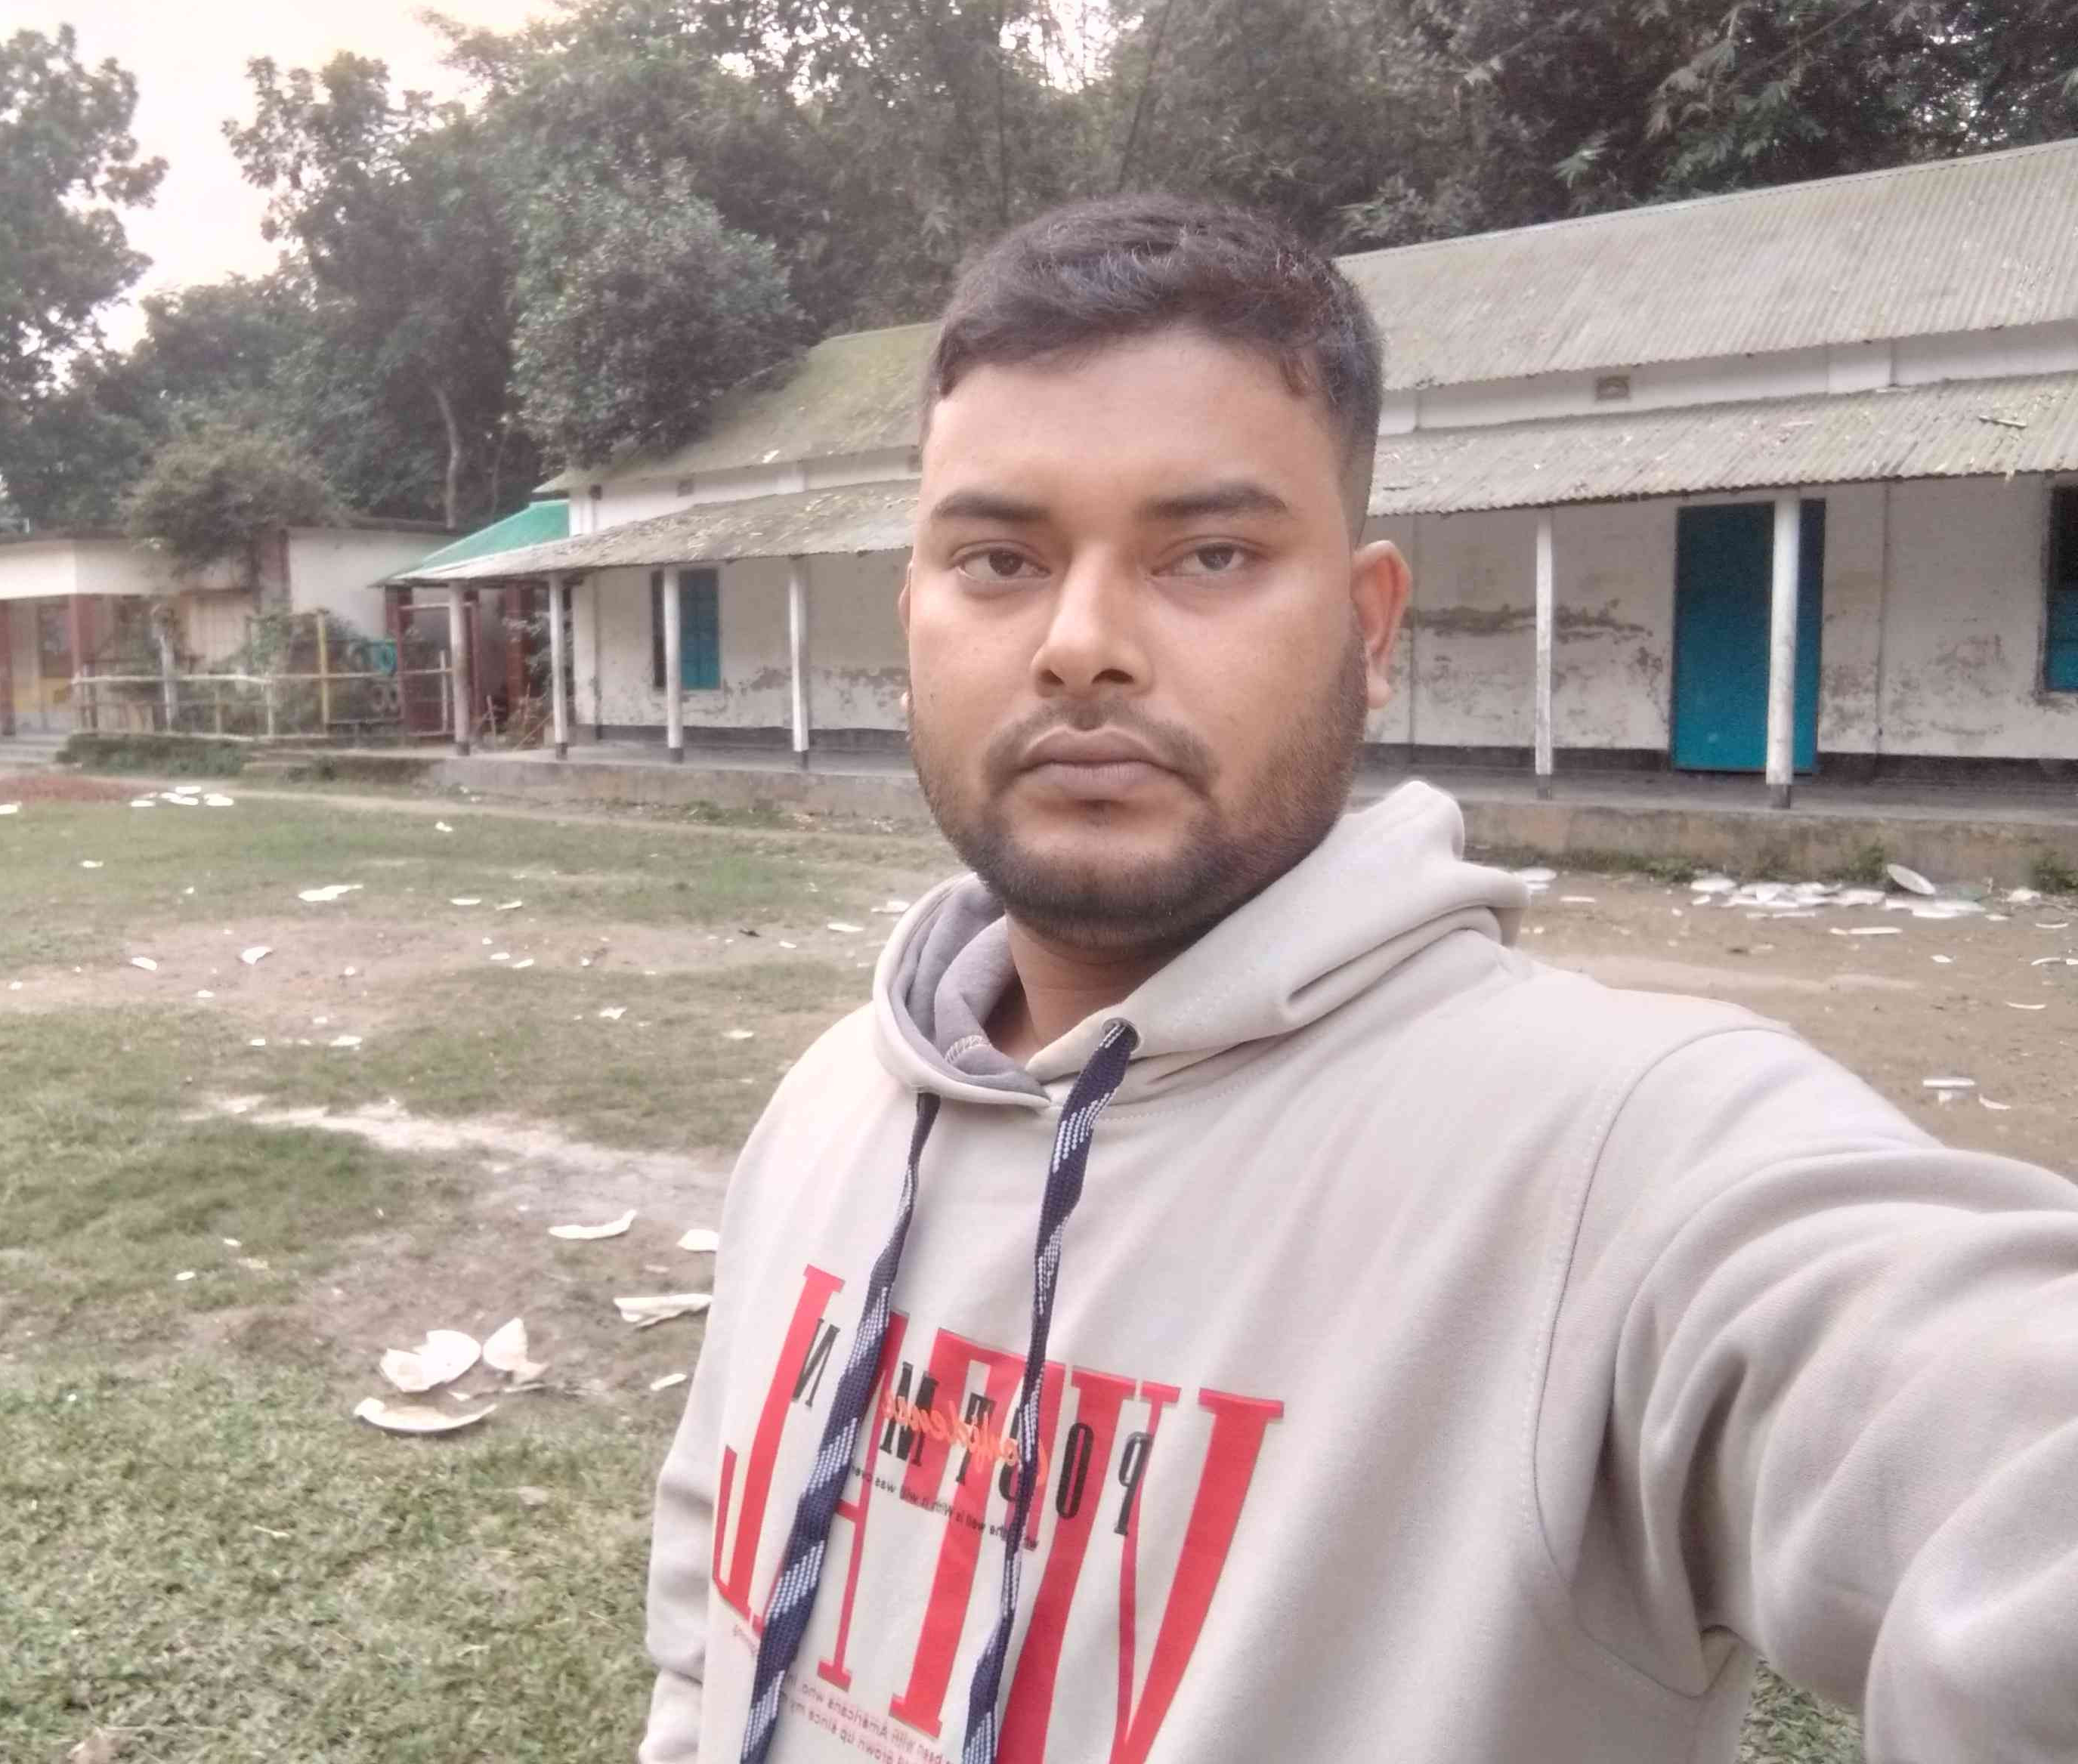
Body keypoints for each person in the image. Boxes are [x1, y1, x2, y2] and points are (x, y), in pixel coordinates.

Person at [635, 196, 2078, 1764]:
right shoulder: (830, 1111)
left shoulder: (1611, 1168)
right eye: (998, 559)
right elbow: (708, 1609)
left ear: (1368, 628)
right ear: (913, 616)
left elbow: (1984, 1442)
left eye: (1209, 554)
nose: (1082, 644)